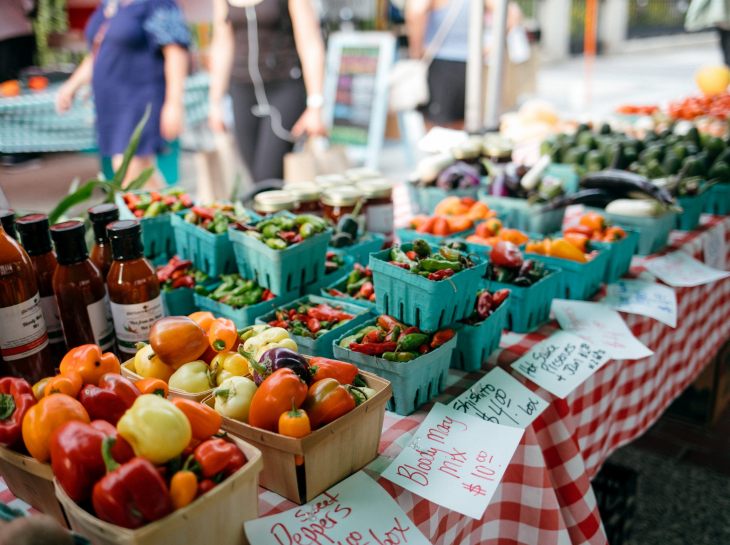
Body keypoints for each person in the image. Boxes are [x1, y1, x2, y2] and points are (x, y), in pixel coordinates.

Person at [55, 0, 190, 186]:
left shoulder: (156, 3)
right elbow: (99, 50)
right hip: (112, 102)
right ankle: (174, 212)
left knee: (129, 170)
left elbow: (175, 50)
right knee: (137, 173)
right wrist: (72, 84)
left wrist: (174, 103)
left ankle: (171, 212)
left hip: (140, 98)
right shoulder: (111, 4)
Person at [208, 0, 327, 183]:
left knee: (268, 177)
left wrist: (315, 105)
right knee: (255, 177)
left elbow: (310, 42)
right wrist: (215, 103)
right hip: (242, 91)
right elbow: (222, 44)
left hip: (283, 88)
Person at [406, 0, 523, 129]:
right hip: (470, 66)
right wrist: (490, 47)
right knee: (460, 127)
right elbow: (513, 14)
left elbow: (416, 10)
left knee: (435, 131)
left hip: (440, 64)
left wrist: (416, 53)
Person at [0, 0, 36, 83]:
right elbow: (30, 6)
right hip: (23, 32)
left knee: (8, 79)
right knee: (26, 75)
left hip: (7, 37)